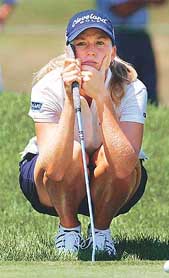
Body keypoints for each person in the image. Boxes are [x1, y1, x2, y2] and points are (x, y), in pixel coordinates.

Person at [19, 9, 148, 258]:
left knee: (113, 159)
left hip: (113, 180)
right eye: (81, 43)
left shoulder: (134, 88)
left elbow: (123, 168)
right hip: (49, 182)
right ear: (70, 52)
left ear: (113, 52)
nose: (91, 51)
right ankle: (68, 230)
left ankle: (101, 233)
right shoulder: (47, 86)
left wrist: (102, 98)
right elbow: (54, 169)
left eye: (100, 43)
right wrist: (70, 100)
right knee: (74, 152)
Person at [96, 0, 168, 105]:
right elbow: (121, 10)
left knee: (149, 87)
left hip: (140, 35)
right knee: (120, 83)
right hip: (117, 35)